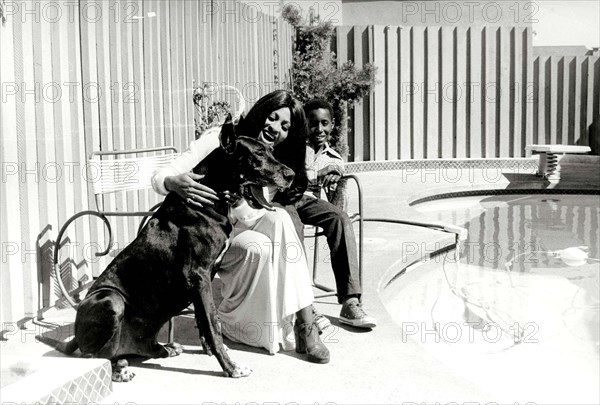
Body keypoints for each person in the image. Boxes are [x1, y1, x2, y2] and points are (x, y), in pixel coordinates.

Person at [151, 90, 329, 364]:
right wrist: (173, 183)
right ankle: (243, 323)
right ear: (261, 112)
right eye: (272, 118)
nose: (275, 129)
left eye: (285, 127)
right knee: (260, 246)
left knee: (280, 219)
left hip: (238, 226)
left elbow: (255, 210)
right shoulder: (219, 139)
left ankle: (305, 322)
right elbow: (160, 175)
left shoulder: (268, 155)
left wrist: (239, 201)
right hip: (207, 238)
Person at [289, 98, 377, 329]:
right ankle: (305, 304)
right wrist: (314, 175)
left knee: (339, 218)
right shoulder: (292, 145)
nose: (319, 129)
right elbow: (285, 176)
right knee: (291, 225)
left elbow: (338, 200)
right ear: (303, 124)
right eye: (313, 124)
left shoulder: (334, 158)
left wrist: (337, 176)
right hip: (287, 199)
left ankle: (350, 302)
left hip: (311, 202)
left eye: (324, 123)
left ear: (332, 125)